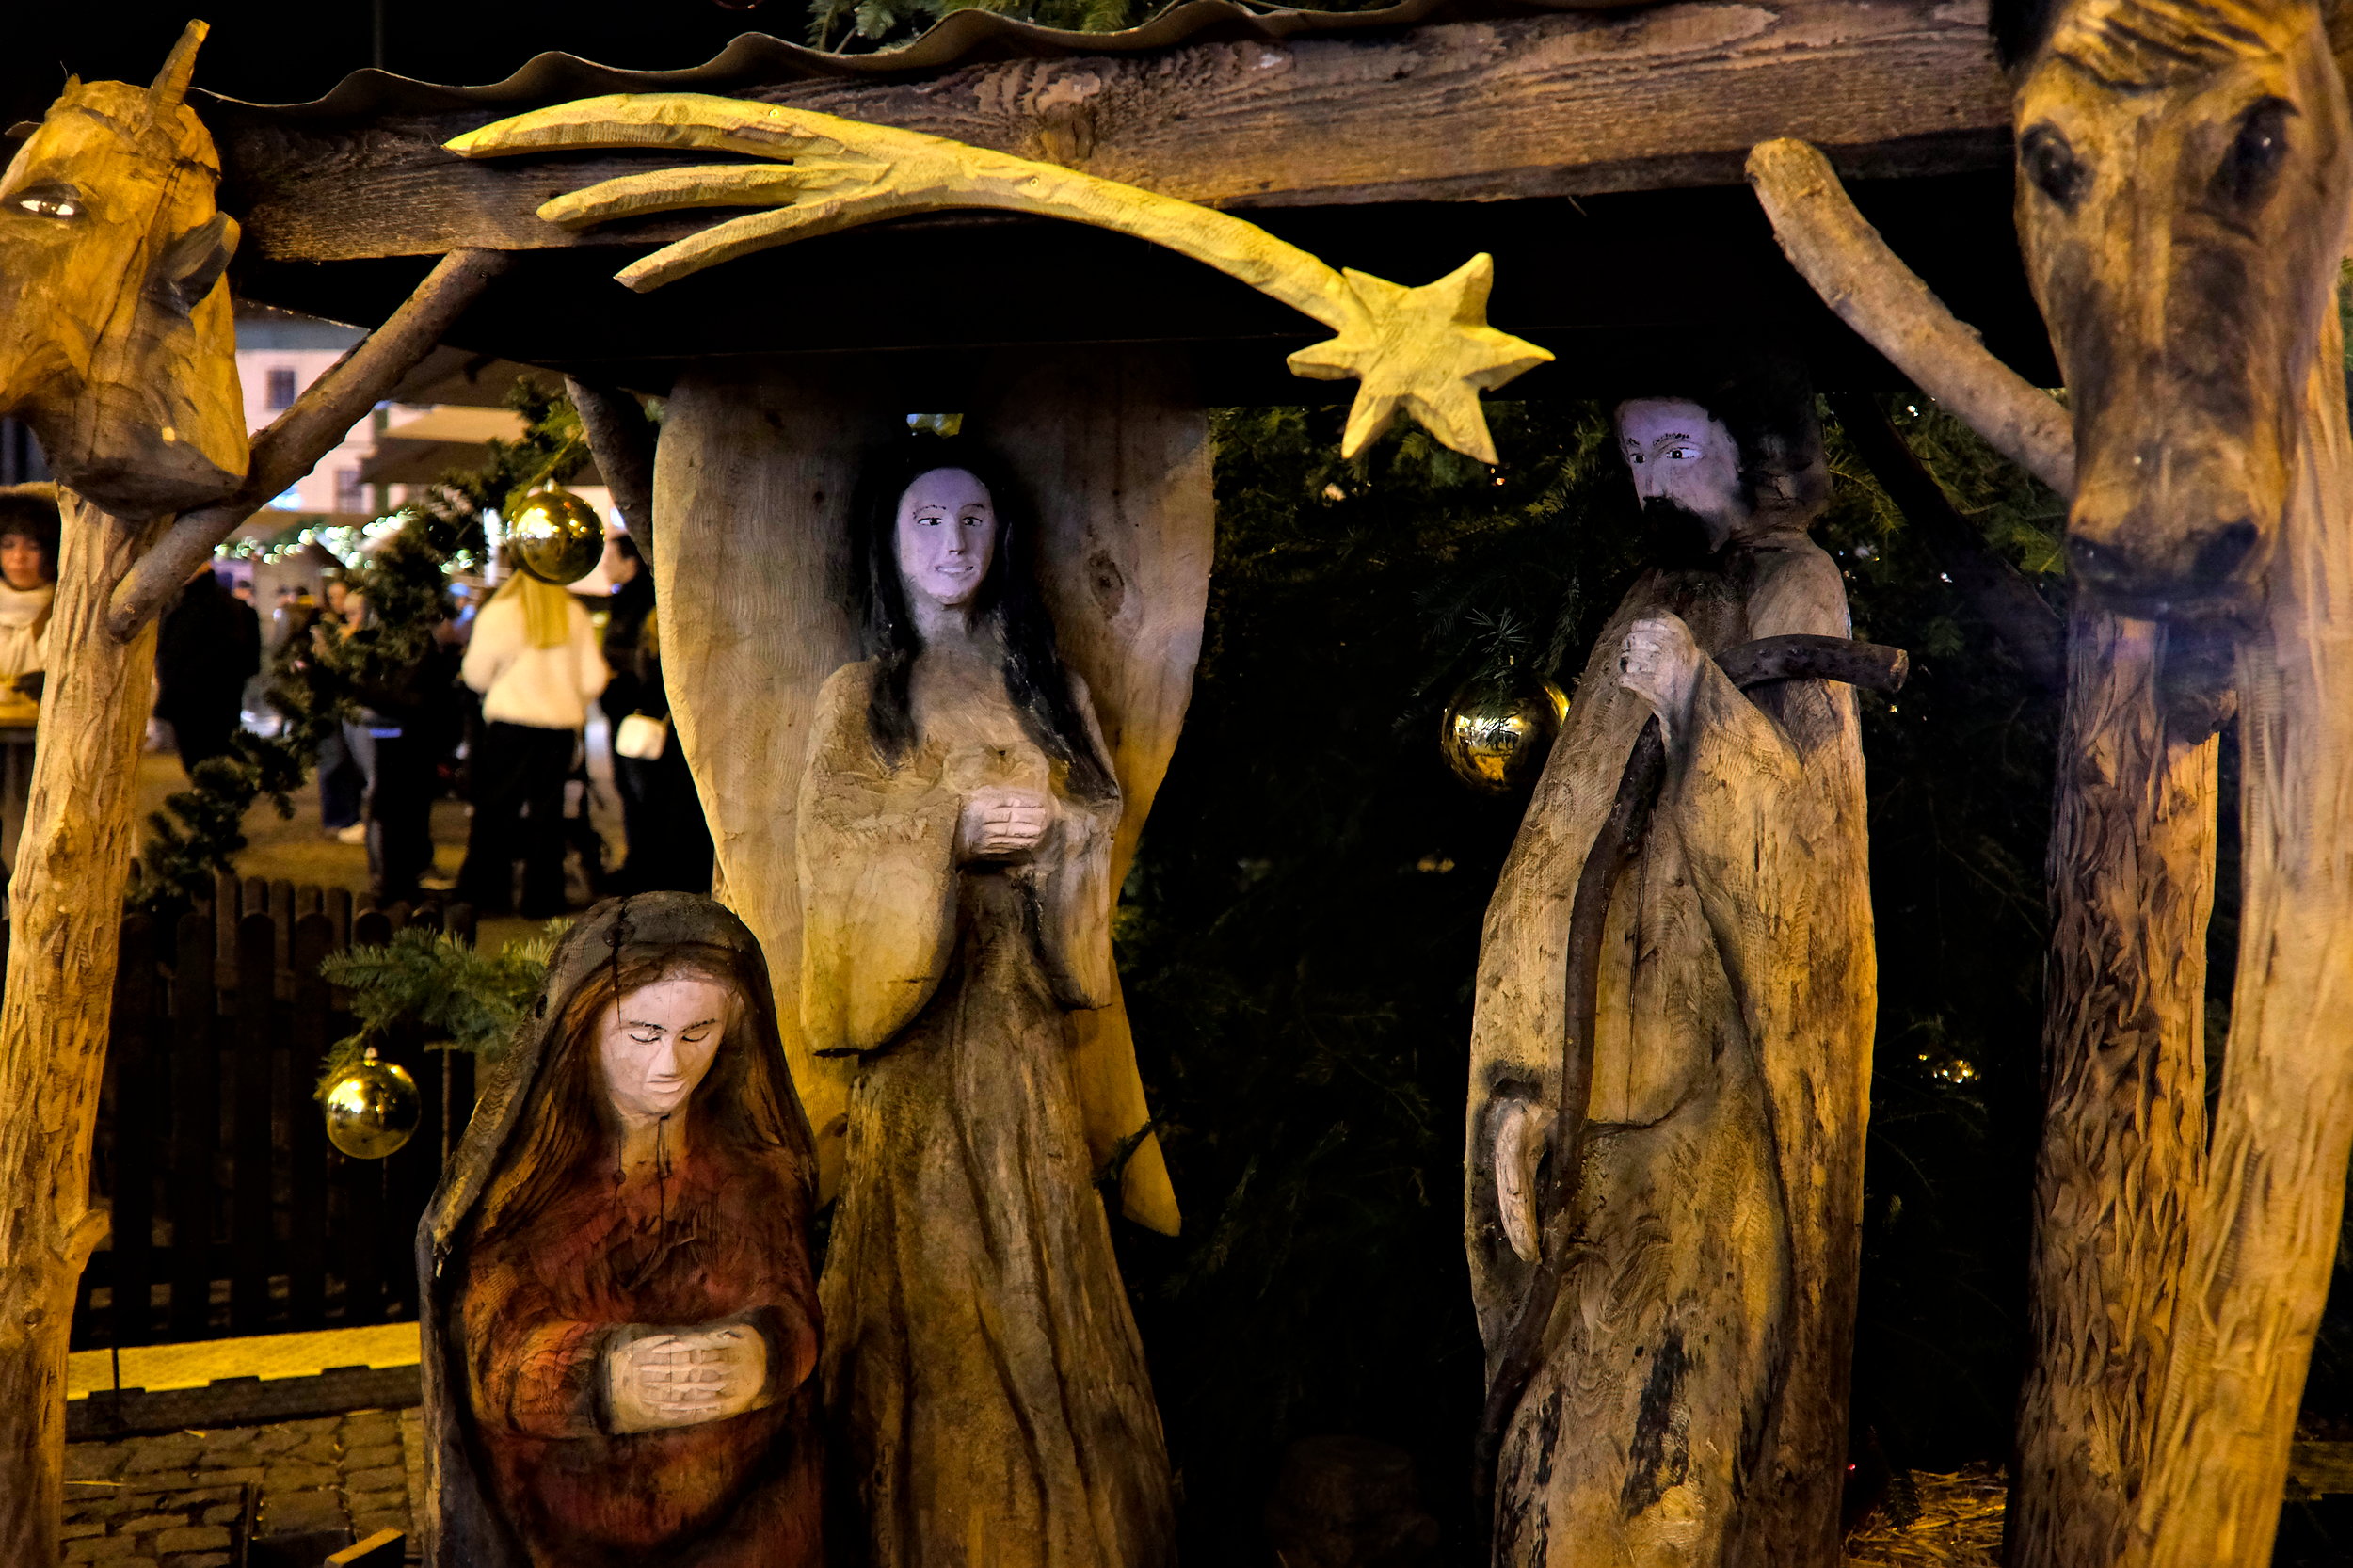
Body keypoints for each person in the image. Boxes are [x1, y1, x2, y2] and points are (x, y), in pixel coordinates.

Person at [1465, 366, 1873, 1562]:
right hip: (1591, 1083)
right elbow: (1562, 841)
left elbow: (1810, 851)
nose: (1650, 478)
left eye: (1675, 447)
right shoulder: (1654, 588)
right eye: (1635, 454)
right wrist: (1524, 1061)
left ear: (1746, 450)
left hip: (1708, 1106)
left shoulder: (1796, 584)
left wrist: (1701, 703)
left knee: (1670, 1439)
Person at [798, 437, 1175, 1567]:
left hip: (1019, 1025)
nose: (953, 543)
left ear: (1002, 537)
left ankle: (1064, 1519)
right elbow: (829, 844)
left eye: (972, 521)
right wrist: (945, 834)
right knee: (927, 1250)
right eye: (928, 521)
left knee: (1037, 1235)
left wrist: (1058, 837)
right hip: (915, 1033)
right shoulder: (859, 698)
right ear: (890, 541)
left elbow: (1099, 815)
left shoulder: (1043, 685)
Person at [419, 892, 824, 1568]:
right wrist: (608, 1378)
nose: (670, 1065)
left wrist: (761, 1355)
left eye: (698, 1034)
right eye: (642, 1035)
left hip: (743, 1516)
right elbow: (490, 1359)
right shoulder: (531, 1196)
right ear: (585, 1031)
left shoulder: (753, 1179)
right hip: (566, 1529)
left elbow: (794, 1306)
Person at [457, 568, 608, 918]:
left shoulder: (501, 614)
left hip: (509, 727)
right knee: (548, 815)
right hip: (557, 730)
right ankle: (541, 898)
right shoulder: (573, 615)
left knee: (496, 810)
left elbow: (476, 674)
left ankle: (490, 894)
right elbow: (594, 677)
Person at [598, 536, 713, 894]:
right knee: (645, 799)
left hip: (648, 716)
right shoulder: (637, 602)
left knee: (650, 800)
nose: (604, 566)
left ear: (632, 563)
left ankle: (652, 872)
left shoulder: (645, 606)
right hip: (642, 713)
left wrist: (621, 689)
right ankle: (647, 869)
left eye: (610, 558)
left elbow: (647, 665)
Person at [154, 560, 262, 775]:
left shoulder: (209, 605)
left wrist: (184, 681)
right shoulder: (189, 601)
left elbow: (227, 653)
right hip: (197, 696)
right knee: (206, 754)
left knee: (205, 755)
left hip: (200, 699)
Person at [0, 484, 57, 877]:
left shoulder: (69, 607)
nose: (18, 558)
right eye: (8, 544)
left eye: (31, 546)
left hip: (46, 743)